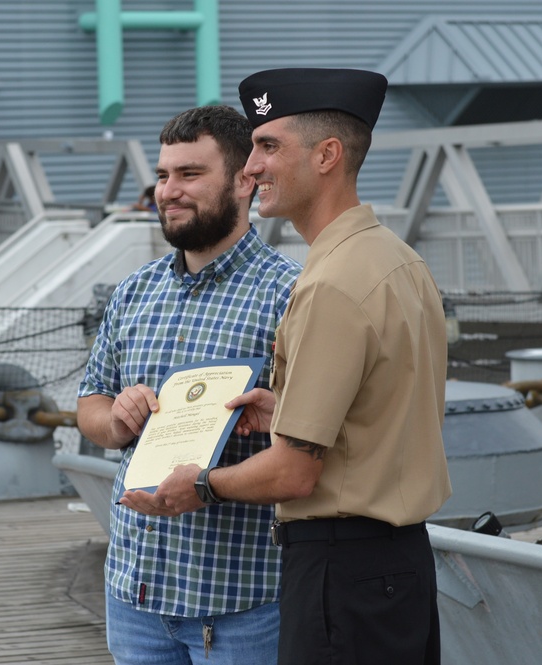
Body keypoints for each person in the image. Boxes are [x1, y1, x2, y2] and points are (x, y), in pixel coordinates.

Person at [120, 69, 453, 664]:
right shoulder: (397, 260)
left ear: (328, 155)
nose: (250, 167)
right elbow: (382, 415)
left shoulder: (327, 285)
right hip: (398, 565)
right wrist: (283, 412)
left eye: (268, 146)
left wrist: (198, 485)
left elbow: (296, 475)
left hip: (338, 573)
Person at [77, 104, 301, 665]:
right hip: (135, 591)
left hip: (241, 601)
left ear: (245, 181)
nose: (169, 191)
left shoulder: (293, 294)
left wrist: (280, 414)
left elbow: (316, 445)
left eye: (190, 175)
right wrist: (116, 417)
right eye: (162, 175)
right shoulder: (133, 292)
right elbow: (90, 405)